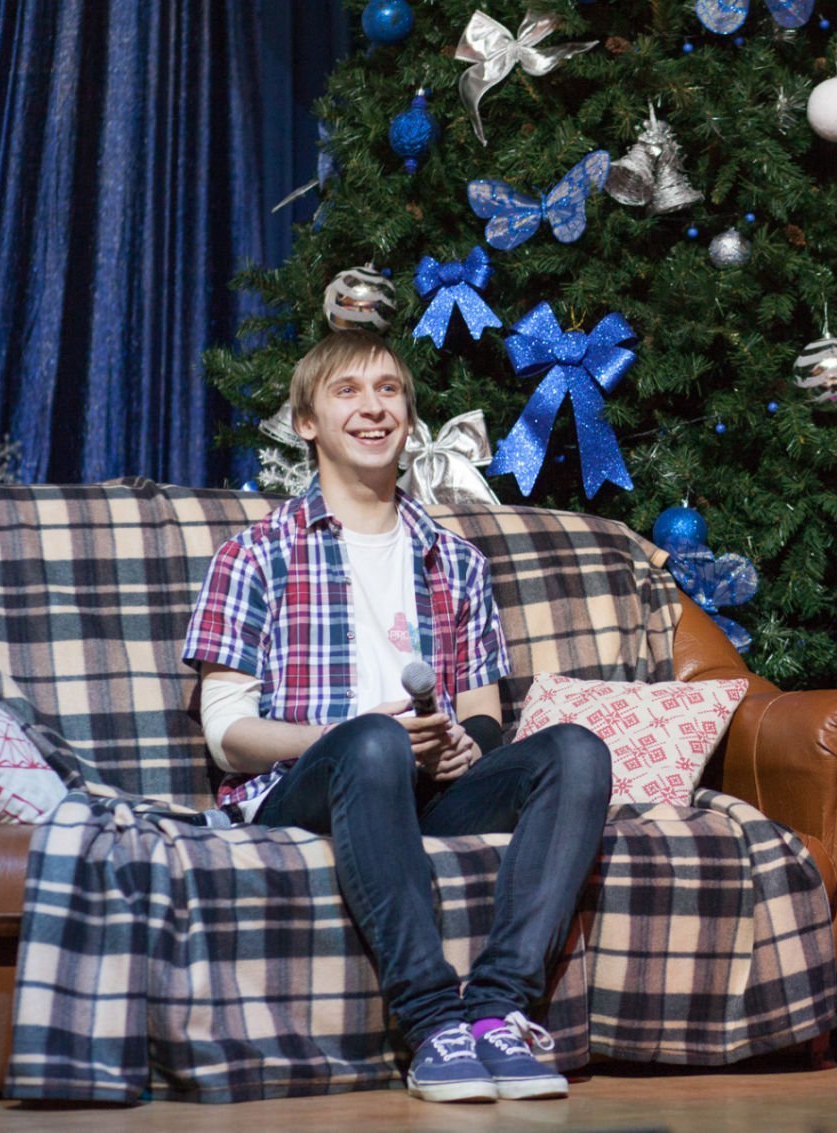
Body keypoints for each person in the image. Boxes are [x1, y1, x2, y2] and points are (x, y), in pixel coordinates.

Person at [182, 331, 611, 1105]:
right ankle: (432, 1021)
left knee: (577, 749)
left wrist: (460, 746)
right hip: (305, 787)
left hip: (425, 792)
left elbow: (484, 717)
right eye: (347, 391)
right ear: (307, 421)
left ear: (409, 418)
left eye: (389, 390)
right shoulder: (255, 555)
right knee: (375, 741)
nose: (373, 407)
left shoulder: (456, 560)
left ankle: (496, 1011)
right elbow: (228, 734)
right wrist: (340, 737)